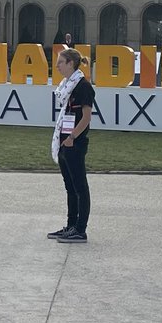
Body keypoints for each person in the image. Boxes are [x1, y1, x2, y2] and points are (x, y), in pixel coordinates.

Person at [49, 48, 94, 244]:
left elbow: (86, 117)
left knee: (80, 187)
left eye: (61, 62)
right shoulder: (66, 86)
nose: (57, 66)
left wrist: (72, 137)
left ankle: (80, 229)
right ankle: (70, 226)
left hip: (75, 143)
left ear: (70, 63)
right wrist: (63, 140)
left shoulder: (83, 87)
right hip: (64, 142)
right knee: (70, 187)